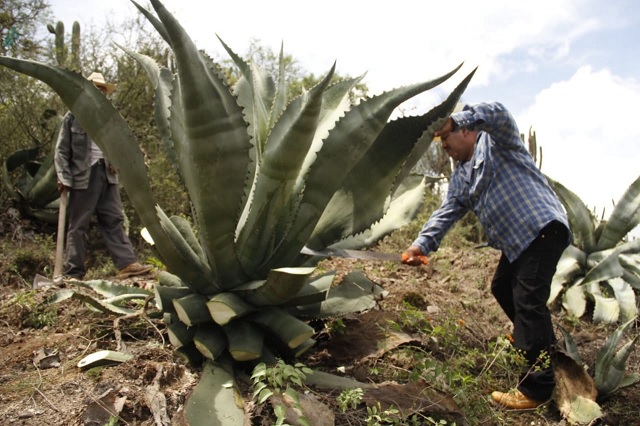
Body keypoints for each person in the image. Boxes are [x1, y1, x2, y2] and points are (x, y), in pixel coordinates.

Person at [402, 102, 570, 409]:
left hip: (540, 228)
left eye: (446, 139)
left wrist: (453, 119)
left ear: (465, 131)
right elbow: (445, 214)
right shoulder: (461, 178)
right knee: (502, 287)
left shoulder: (497, 142)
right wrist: (419, 246)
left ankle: (538, 389)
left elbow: (500, 113)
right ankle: (535, 347)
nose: (444, 147)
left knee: (528, 301)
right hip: (519, 244)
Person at [54, 72, 152, 280]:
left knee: (113, 219)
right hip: (83, 175)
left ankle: (127, 264)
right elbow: (61, 150)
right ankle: (74, 272)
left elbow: (121, 145)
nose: (99, 93)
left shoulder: (110, 120)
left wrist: (119, 162)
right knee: (79, 224)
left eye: (102, 90)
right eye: (95, 89)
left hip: (107, 175)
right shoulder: (73, 117)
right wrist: (63, 176)